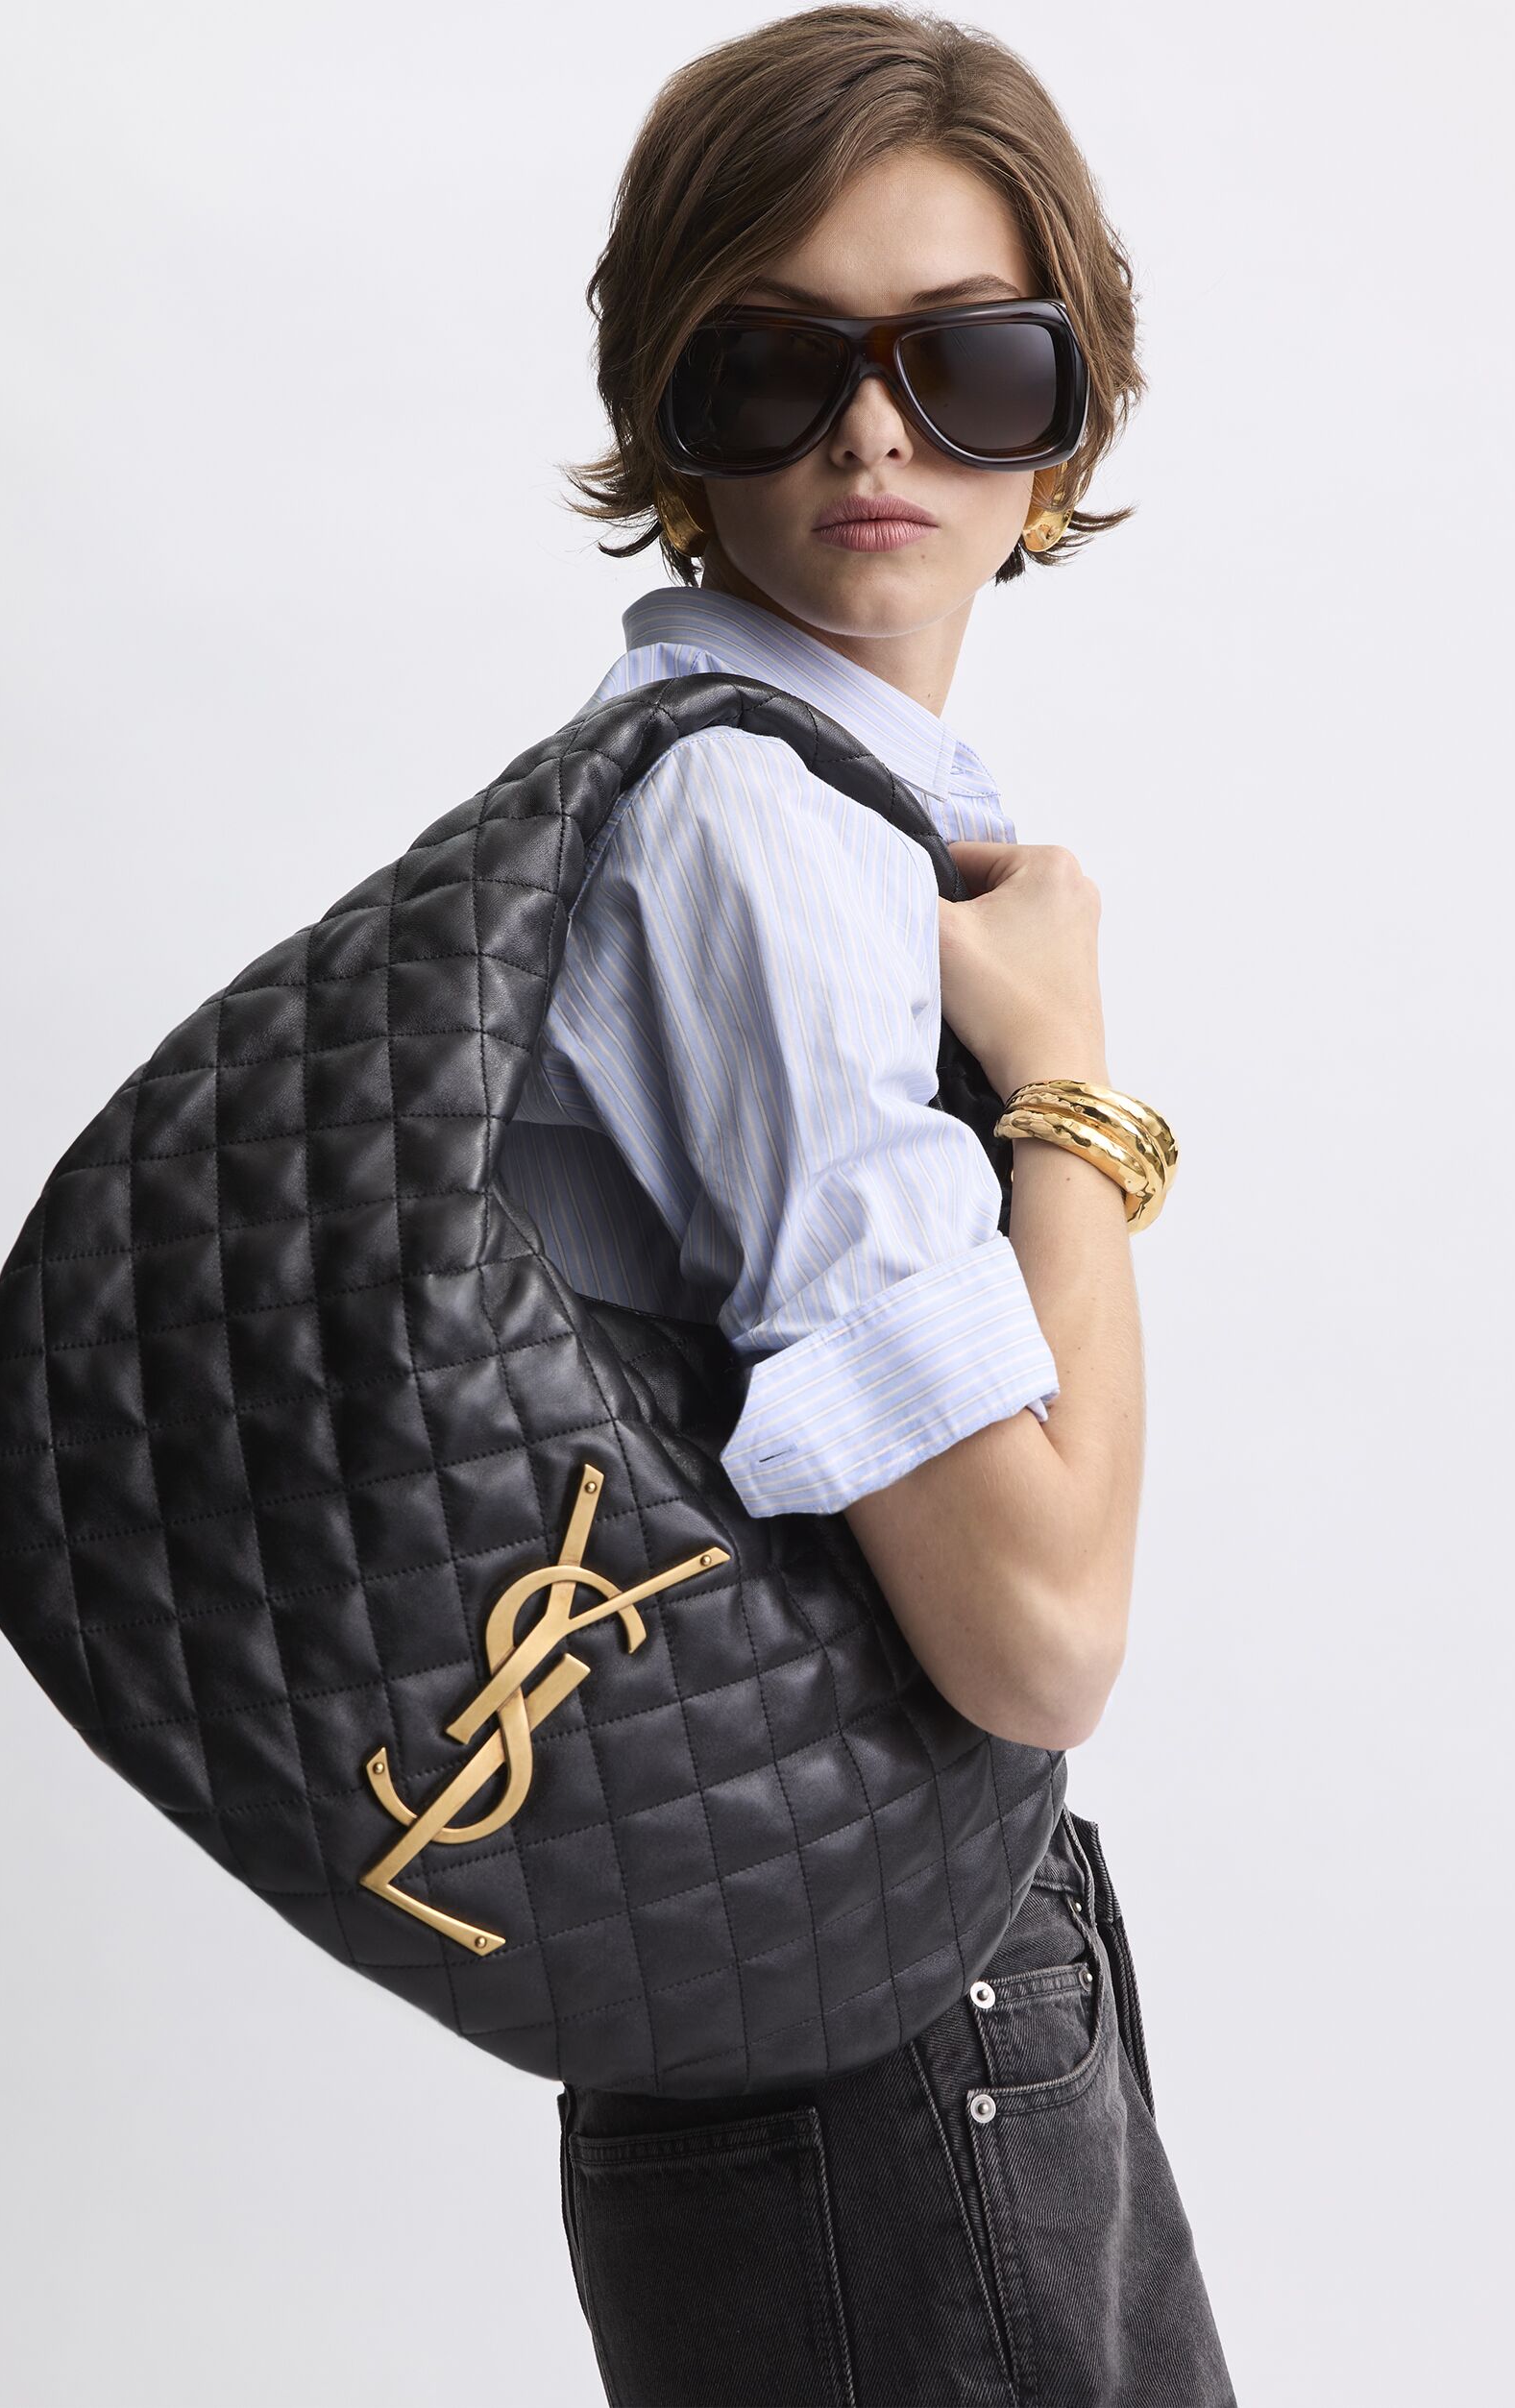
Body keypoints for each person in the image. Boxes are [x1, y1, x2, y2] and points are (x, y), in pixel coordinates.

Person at [501, 9, 1238, 2400]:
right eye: (774, 364)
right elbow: (1037, 1633)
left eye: (969, 362)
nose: (873, 436)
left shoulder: (832, 796)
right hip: (880, 2042)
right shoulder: (760, 835)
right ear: (665, 414)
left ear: (1066, 423)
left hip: (838, 2000)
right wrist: (1074, 1095)